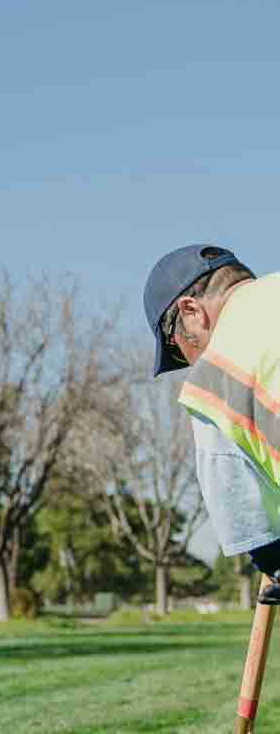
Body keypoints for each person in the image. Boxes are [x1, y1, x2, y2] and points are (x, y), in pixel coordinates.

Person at [142, 242, 280, 602]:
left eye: (176, 348)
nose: (189, 362)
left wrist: (272, 558)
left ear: (191, 311)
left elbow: (247, 520)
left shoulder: (214, 379)